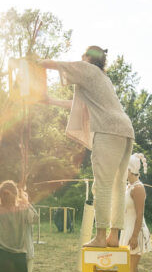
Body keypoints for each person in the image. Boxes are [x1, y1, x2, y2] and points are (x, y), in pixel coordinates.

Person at [39, 46, 134, 248]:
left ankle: (100, 237)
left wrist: (35, 63)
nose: (80, 58)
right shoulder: (102, 78)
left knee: (102, 186)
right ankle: (113, 236)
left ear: (88, 57)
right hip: (125, 130)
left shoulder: (86, 69)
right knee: (118, 185)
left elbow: (53, 64)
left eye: (83, 55)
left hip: (108, 131)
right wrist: (50, 101)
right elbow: (79, 105)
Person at [119, 153, 151, 272]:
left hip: (135, 232)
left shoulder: (138, 188)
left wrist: (134, 236)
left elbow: (140, 214)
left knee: (132, 269)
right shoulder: (128, 186)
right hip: (127, 230)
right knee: (127, 269)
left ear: (130, 170)